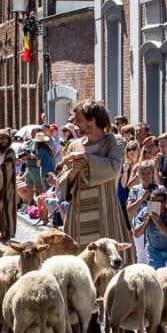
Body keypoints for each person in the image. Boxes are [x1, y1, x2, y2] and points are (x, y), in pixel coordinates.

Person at [57, 99, 130, 250]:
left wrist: (86, 158)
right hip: (77, 214)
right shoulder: (74, 145)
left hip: (106, 212)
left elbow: (113, 168)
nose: (75, 123)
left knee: (107, 262)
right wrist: (73, 172)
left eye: (79, 119)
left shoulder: (114, 142)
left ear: (93, 119)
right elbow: (63, 179)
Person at [133, 186, 167, 269]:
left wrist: (158, 222)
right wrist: (144, 222)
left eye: (158, 202)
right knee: (155, 275)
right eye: (152, 201)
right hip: (154, 250)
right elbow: (137, 234)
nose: (154, 205)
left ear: (165, 202)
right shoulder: (144, 212)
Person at [126, 160, 159, 265]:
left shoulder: (158, 189)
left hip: (155, 228)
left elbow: (156, 211)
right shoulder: (135, 190)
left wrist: (152, 197)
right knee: (141, 257)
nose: (146, 176)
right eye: (143, 173)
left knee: (154, 257)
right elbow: (129, 210)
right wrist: (141, 199)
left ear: (152, 174)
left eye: (148, 173)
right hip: (139, 227)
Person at [0, 130, 17, 241]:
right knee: (1, 209)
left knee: (8, 208)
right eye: (1, 139)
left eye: (5, 138)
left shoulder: (10, 152)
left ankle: (8, 233)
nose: (3, 141)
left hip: (8, 185)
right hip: (0, 184)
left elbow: (7, 167)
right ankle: (2, 231)